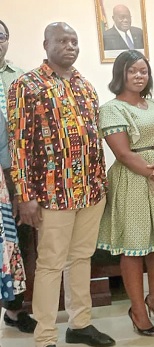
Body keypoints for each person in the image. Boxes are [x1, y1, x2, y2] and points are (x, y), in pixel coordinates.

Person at [8, 22, 115, 347]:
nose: (70, 46)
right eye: (62, 41)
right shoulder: (26, 84)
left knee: (81, 258)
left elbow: (92, 136)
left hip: (90, 190)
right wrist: (25, 195)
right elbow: (19, 144)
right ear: (46, 45)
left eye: (74, 41)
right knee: (51, 264)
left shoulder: (84, 84)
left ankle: (79, 324)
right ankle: (45, 337)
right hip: (51, 193)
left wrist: (101, 182)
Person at [96, 49, 154, 337]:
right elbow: (123, 154)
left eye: (143, 71)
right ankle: (137, 308)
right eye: (132, 71)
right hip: (134, 181)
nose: (139, 76)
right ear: (120, 74)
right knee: (135, 249)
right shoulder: (112, 109)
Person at [0, 18, 37, 334]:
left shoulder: (21, 77)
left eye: (1, 36)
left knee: (18, 242)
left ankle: (14, 310)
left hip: (14, 170)